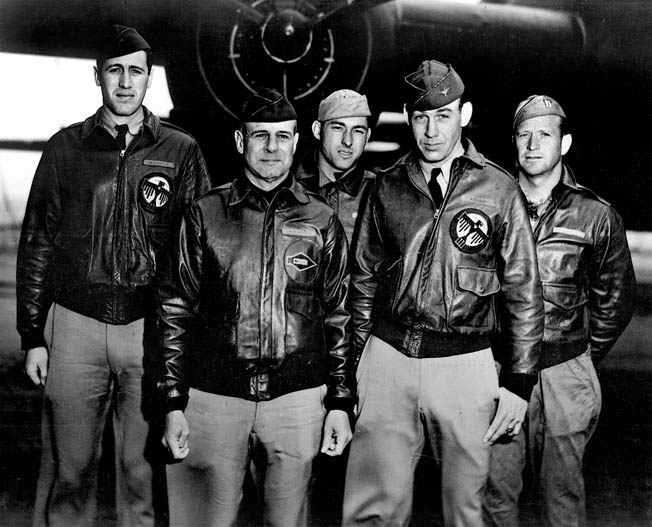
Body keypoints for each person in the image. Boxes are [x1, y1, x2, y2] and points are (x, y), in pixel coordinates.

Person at [16, 25, 210, 527]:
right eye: (116, 71)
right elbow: (37, 242)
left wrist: (188, 340)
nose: (126, 83)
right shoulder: (66, 149)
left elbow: (199, 252)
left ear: (151, 80)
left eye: (137, 73)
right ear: (97, 76)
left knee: (140, 472)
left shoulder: (181, 151)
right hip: (75, 325)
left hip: (147, 329)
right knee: (71, 470)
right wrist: (33, 334)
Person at [341, 59, 544, 527]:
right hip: (389, 356)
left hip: (465, 363)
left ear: (465, 114)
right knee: (372, 508)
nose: (431, 130)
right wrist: (355, 365)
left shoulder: (498, 189)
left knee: (465, 509)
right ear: (409, 118)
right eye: (421, 117)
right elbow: (363, 279)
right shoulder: (386, 185)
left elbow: (523, 292)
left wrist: (518, 382)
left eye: (444, 115)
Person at [157, 88, 355, 527]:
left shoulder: (322, 221)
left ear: (297, 141)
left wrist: (340, 400)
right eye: (260, 136)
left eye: (282, 137)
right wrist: (172, 402)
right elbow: (174, 311)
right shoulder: (204, 214)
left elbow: (339, 315)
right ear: (239, 141)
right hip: (213, 400)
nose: (271, 148)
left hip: (297, 403)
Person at [483, 95, 636, 527]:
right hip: (497, 368)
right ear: (513, 142)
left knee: (562, 497)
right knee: (494, 495)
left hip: (564, 368)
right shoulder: (489, 206)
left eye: (544, 135)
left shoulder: (596, 215)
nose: (533, 145)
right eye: (524, 135)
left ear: (564, 143)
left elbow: (616, 298)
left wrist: (580, 356)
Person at [295, 88, 374, 241]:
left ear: (367, 136)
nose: (348, 141)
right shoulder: (290, 188)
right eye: (338, 128)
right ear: (317, 130)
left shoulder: (379, 193)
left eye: (358, 131)